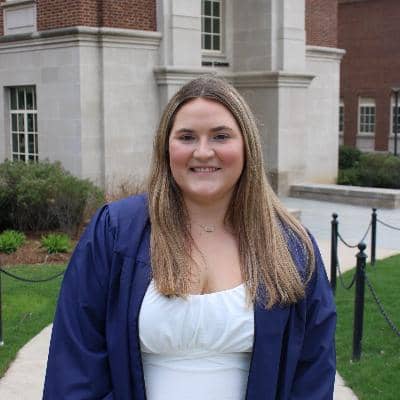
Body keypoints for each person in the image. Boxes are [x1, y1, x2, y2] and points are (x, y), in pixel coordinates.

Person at [43, 76, 336, 400]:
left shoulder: (289, 248)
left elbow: (312, 372)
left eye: (221, 136)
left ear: (247, 146)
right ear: (166, 147)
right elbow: (76, 365)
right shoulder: (116, 233)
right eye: (186, 137)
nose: (203, 151)